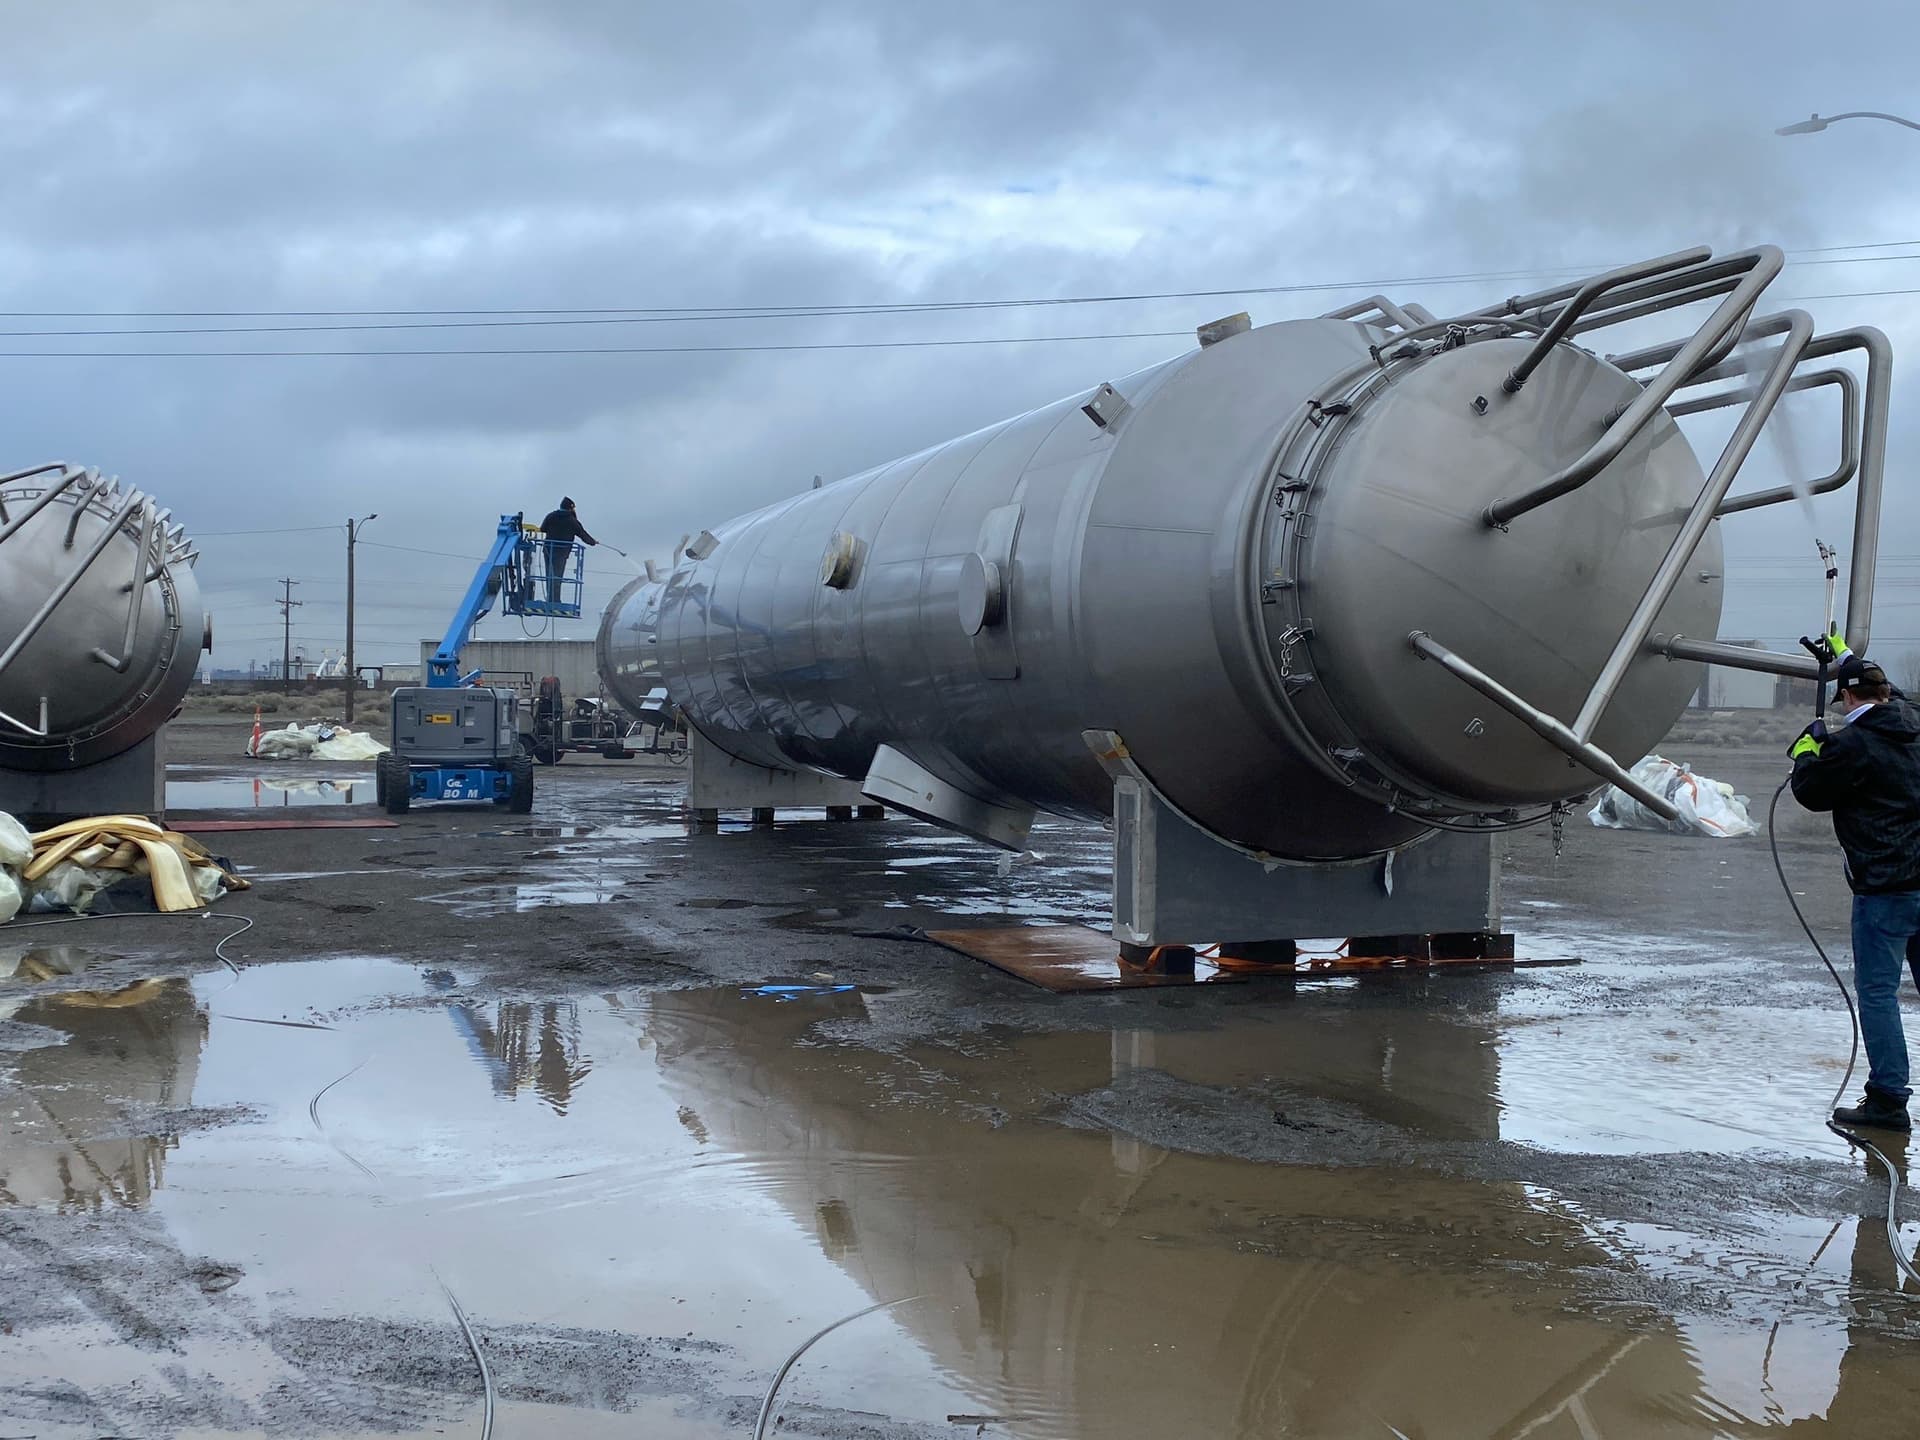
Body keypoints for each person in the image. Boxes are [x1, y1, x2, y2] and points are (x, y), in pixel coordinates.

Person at [1790, 633, 1920, 1132]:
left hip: (1885, 889)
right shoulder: (1913, 721)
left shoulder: (1853, 745)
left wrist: (1807, 750)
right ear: (1883, 691)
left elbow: (1810, 792)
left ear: (1846, 697)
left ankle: (1888, 1100)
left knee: (1879, 994)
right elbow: (1891, 695)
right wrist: (1848, 659)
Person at [538, 497, 597, 604]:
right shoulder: (572, 521)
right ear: (570, 508)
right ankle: (555, 601)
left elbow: (543, 529)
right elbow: (582, 534)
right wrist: (593, 542)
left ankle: (550, 599)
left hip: (548, 549)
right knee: (557, 576)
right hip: (562, 552)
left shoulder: (551, 516)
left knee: (549, 576)